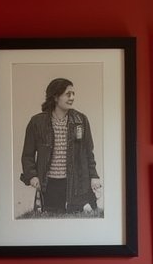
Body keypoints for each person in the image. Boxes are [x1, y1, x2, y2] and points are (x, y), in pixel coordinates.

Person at [19, 77, 102, 215]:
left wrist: (94, 176)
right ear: (56, 97)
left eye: (73, 94)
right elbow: (27, 155)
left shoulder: (81, 120)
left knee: (76, 219)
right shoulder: (37, 122)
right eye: (68, 94)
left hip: (76, 184)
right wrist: (32, 175)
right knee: (52, 219)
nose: (72, 97)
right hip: (49, 184)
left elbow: (88, 152)